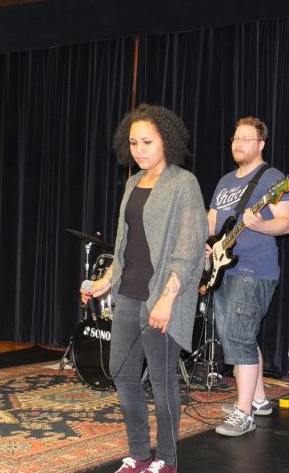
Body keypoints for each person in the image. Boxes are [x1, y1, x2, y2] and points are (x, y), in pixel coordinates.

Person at [81, 104, 207, 473]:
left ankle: (166, 459)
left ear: (166, 140)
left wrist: (167, 300)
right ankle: (139, 454)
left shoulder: (184, 184)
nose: (139, 150)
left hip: (162, 298)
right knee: (121, 373)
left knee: (162, 381)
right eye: (134, 142)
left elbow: (187, 251)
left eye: (147, 142)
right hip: (128, 295)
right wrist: (103, 282)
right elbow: (124, 245)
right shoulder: (133, 182)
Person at [207, 116, 289, 437]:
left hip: (254, 269)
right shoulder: (225, 181)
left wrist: (260, 225)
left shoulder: (272, 179)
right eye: (235, 138)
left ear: (261, 144)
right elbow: (212, 221)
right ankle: (258, 400)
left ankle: (244, 414)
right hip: (224, 268)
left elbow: (286, 223)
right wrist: (205, 244)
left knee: (239, 336)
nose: (238, 144)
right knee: (241, 335)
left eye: (245, 139)